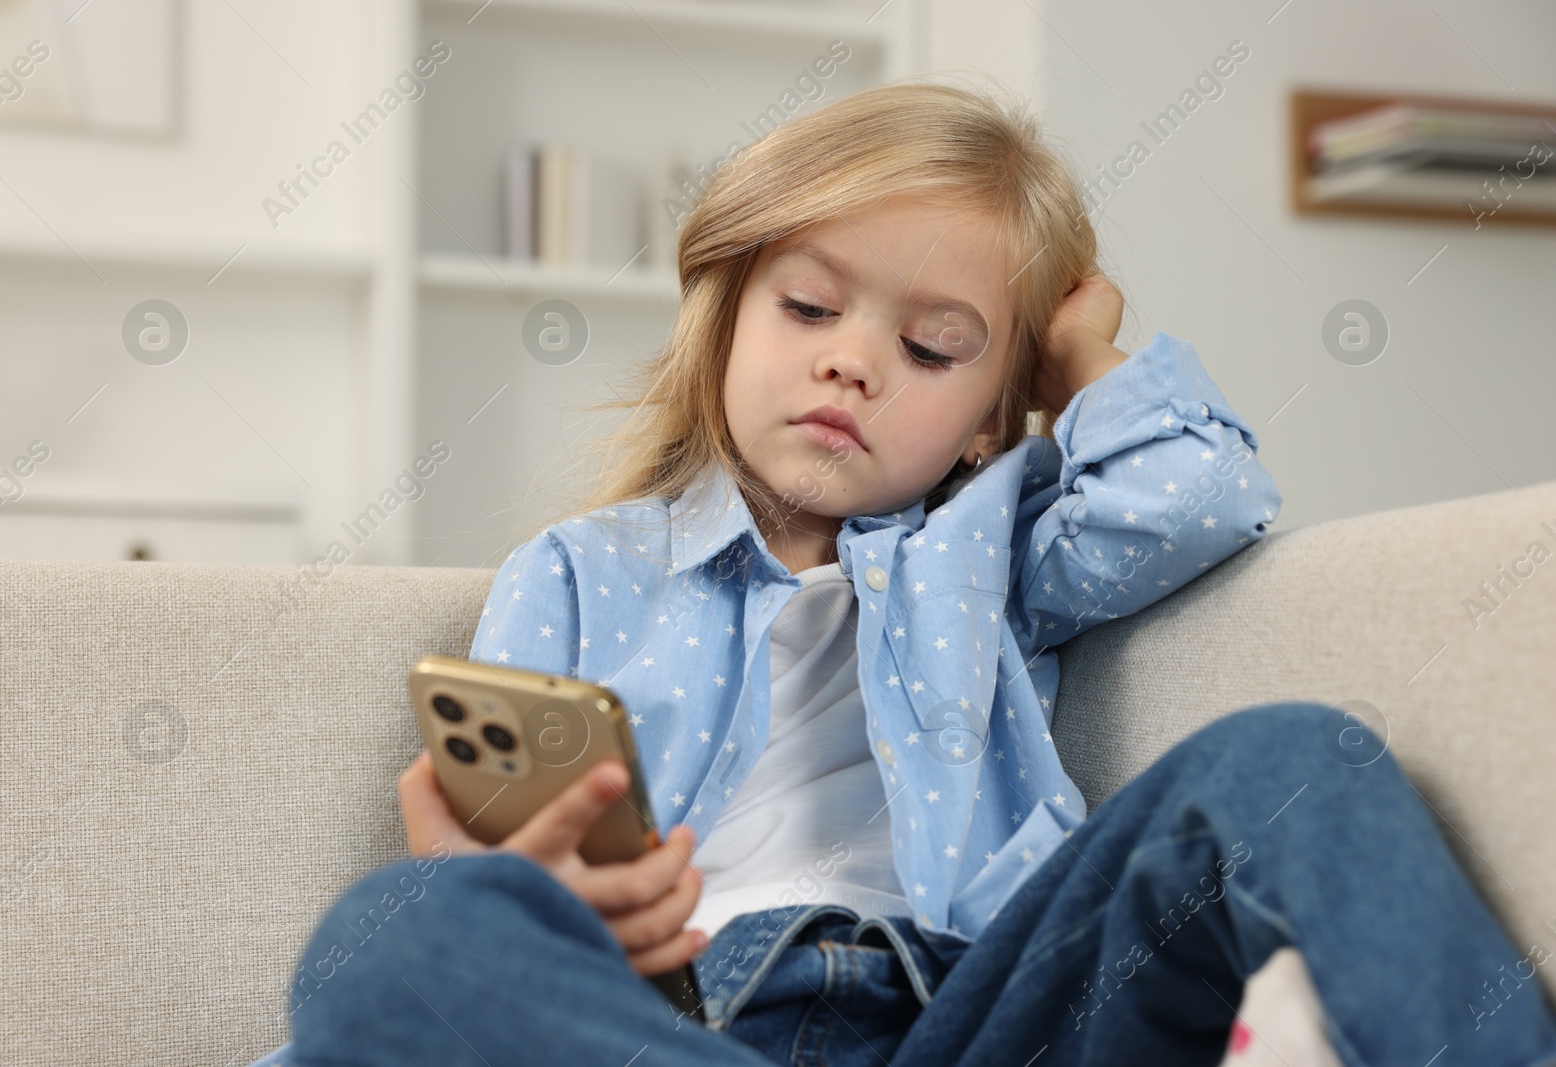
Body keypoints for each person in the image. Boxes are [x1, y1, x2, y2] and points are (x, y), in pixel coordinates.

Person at [257, 80, 1556, 1066]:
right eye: (809, 311)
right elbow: (495, 862)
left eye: (936, 349)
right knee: (383, 951)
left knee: (1292, 760)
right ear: (723, 319)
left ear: (992, 417)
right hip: (689, 1023)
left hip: (975, 1017)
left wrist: (1081, 360)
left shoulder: (993, 551)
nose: (853, 364)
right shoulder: (582, 572)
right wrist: (475, 888)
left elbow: (1202, 499)